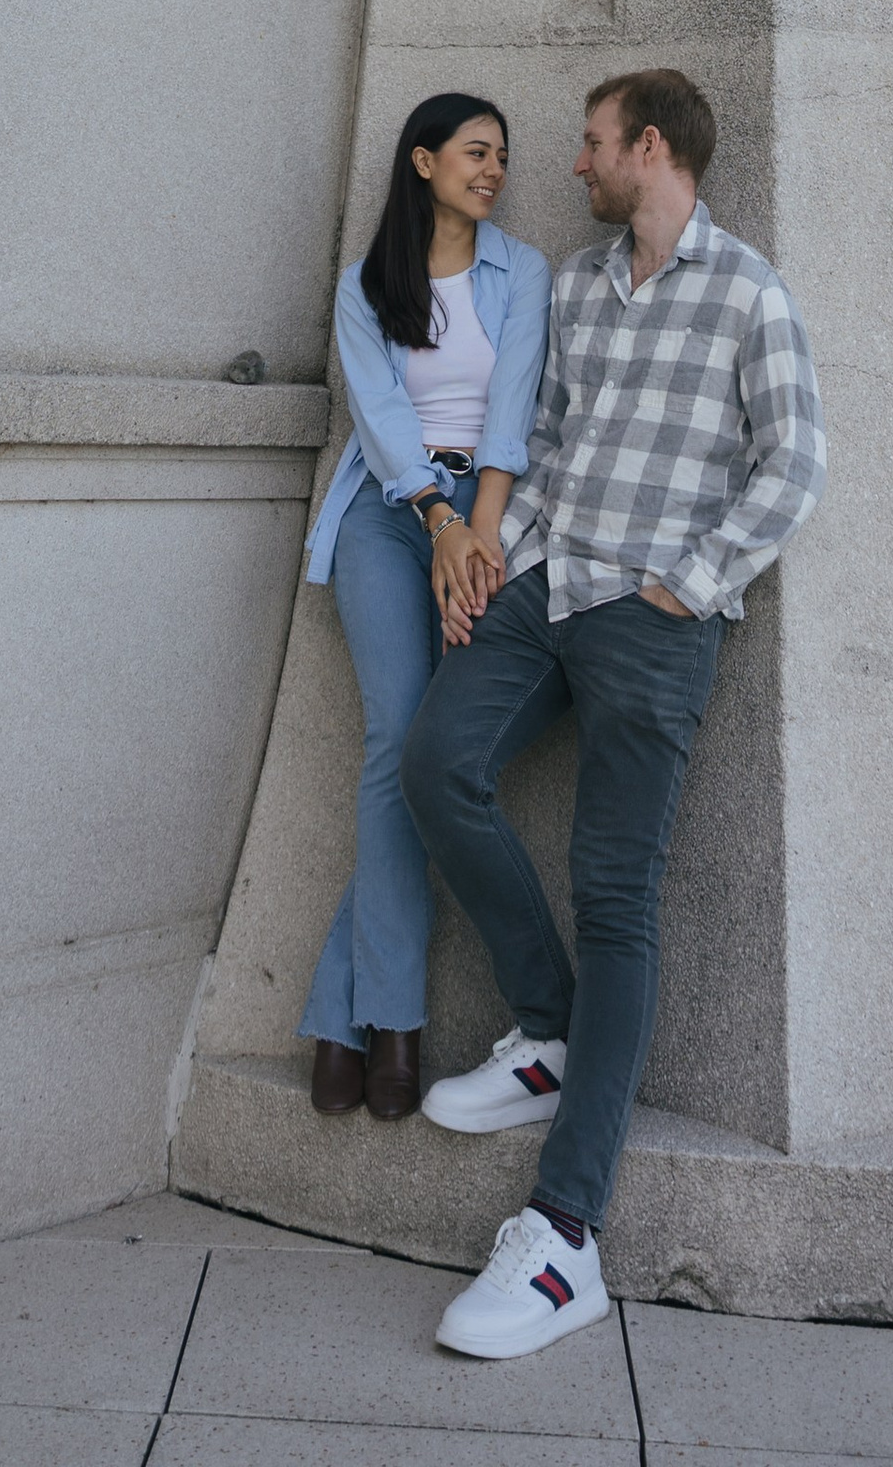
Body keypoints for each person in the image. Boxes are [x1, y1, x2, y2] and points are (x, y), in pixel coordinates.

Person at [401, 66, 825, 1356]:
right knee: (434, 761)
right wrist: (495, 558)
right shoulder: (575, 288)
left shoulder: (748, 289)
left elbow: (793, 461)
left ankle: (563, 1241)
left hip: (652, 618)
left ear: (649, 148)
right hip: (546, 585)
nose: (572, 165)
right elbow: (549, 434)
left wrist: (687, 586)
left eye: (591, 145)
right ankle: (546, 1027)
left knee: (618, 895)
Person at [297, 92, 552, 1123]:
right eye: (475, 152)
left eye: (502, 155)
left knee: (426, 752)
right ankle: (394, 1027)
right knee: (392, 738)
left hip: (484, 522)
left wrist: (478, 534)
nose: (493, 170)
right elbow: (382, 415)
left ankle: (343, 1014)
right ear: (422, 162)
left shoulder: (521, 272)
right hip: (387, 515)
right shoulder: (369, 286)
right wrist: (439, 527)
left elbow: (513, 409)